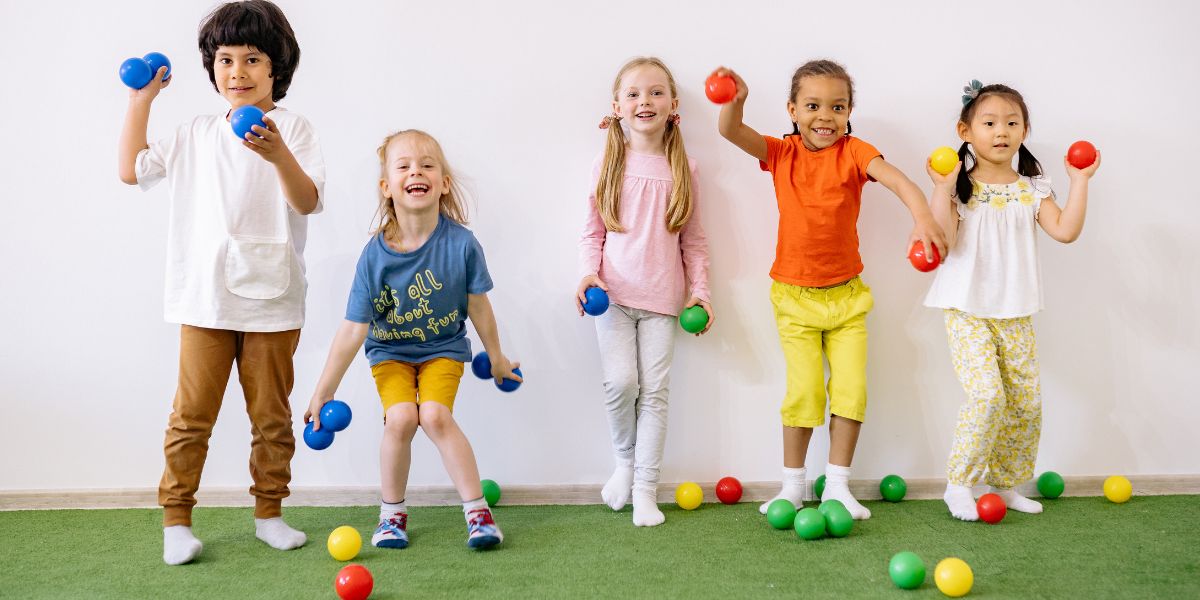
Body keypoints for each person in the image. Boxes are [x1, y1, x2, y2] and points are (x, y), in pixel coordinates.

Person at [117, 0, 323, 565]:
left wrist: (277, 154)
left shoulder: (293, 129)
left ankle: (269, 515)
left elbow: (307, 200)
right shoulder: (194, 133)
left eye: (252, 59)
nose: (237, 72)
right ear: (211, 68)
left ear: (277, 67)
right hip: (204, 300)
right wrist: (141, 100)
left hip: (274, 299)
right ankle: (176, 522)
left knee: (272, 418)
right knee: (191, 417)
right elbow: (131, 170)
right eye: (226, 60)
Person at [714, 60, 945, 519]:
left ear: (849, 112)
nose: (825, 116)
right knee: (804, 393)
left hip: (847, 299)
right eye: (813, 106)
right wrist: (735, 102)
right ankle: (793, 487)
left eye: (837, 107)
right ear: (792, 110)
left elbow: (899, 180)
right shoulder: (781, 153)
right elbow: (730, 131)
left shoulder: (856, 152)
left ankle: (837, 485)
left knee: (852, 391)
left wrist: (923, 218)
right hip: (794, 298)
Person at [306, 129, 518, 549]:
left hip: (443, 349)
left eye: (427, 165)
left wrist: (497, 358)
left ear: (444, 183)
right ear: (387, 186)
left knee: (435, 416)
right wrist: (323, 391)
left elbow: (479, 307)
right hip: (390, 353)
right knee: (402, 418)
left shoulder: (462, 245)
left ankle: (478, 514)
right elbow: (353, 329)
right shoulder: (375, 255)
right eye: (403, 166)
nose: (416, 171)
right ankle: (391, 517)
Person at [923, 81, 1098, 520]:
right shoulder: (961, 187)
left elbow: (1065, 231)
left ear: (1024, 130)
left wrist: (1079, 181)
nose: (1001, 131)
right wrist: (942, 188)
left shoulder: (1033, 188)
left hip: (1015, 310)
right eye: (989, 123)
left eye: (1012, 122)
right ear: (965, 131)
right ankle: (959, 484)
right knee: (987, 397)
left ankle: (1003, 485)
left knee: (1025, 403)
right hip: (966, 308)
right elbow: (943, 240)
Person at [578, 57, 712, 527]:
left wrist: (701, 292)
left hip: (662, 302)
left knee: (655, 393)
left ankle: (645, 490)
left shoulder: (684, 168)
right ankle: (624, 464)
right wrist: (587, 275)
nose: (645, 101)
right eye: (633, 94)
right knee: (621, 384)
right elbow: (592, 233)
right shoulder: (607, 164)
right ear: (617, 107)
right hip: (612, 298)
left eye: (656, 92)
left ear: (673, 105)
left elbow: (694, 241)